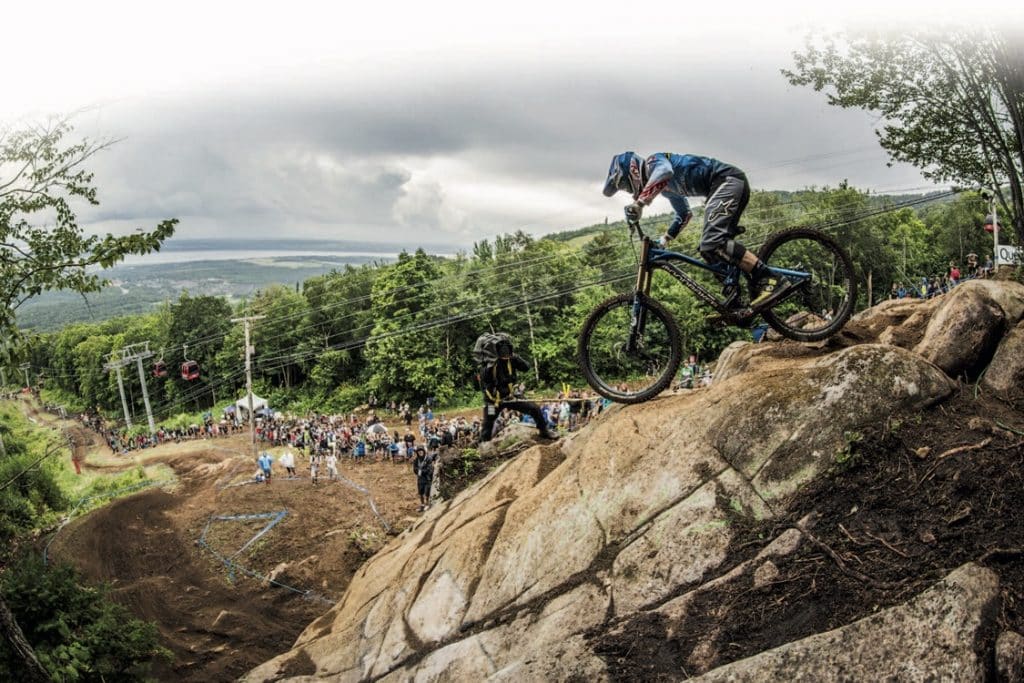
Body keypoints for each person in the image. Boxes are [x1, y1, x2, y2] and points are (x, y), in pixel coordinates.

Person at [603, 151, 790, 310]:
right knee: (707, 249)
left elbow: (665, 171)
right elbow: (684, 214)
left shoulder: (654, 162)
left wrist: (641, 202)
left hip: (728, 181)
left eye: (626, 186)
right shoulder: (668, 189)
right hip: (722, 187)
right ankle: (737, 303)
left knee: (713, 242)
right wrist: (664, 240)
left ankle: (770, 278)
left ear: (633, 171)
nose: (629, 191)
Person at [475, 333, 558, 443]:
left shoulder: (512, 359)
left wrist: (515, 357)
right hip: (493, 402)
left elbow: (526, 367)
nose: (505, 354)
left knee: (534, 409)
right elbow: (485, 386)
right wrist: (490, 365)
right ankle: (483, 445)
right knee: (488, 423)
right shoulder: (487, 367)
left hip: (511, 397)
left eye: (507, 350)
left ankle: (544, 431)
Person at [412, 446, 435, 512]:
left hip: (427, 478)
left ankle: (427, 504)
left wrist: (421, 471)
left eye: (421, 451)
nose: (420, 452)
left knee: (427, 492)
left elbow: (429, 469)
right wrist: (421, 471)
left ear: (424, 451)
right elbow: (415, 469)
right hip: (420, 478)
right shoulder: (416, 460)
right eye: (419, 452)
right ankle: (422, 505)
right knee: (420, 492)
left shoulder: (428, 459)